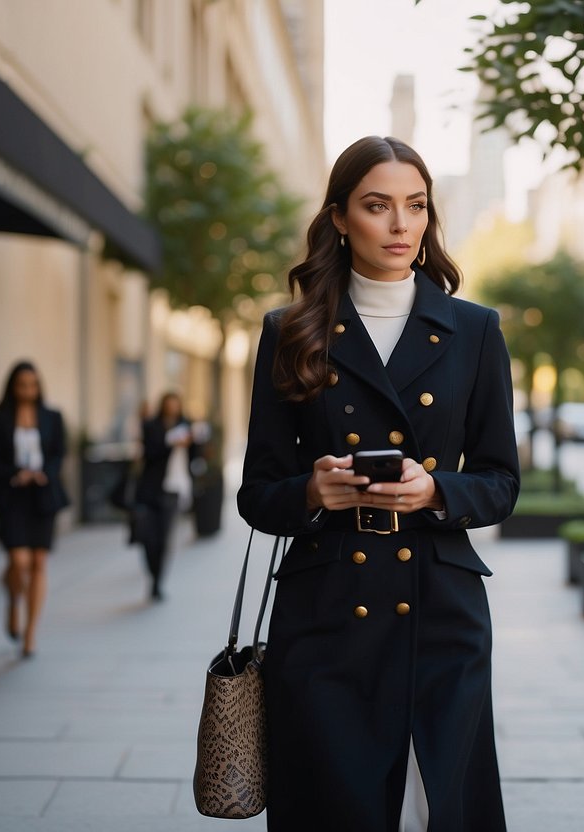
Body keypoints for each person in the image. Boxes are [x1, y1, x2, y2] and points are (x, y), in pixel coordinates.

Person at [238, 136, 520, 831]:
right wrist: (311, 491)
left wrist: (436, 492)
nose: (400, 225)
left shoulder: (473, 330)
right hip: (328, 610)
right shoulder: (291, 331)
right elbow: (256, 493)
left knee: (441, 809)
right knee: (334, 806)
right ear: (339, 218)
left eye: (415, 206)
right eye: (377, 206)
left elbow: (500, 481)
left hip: (439, 605)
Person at [0, 361, 70, 658]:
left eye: (32, 384)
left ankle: (30, 633)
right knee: (18, 561)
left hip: (43, 496)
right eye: (22, 384)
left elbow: (60, 452)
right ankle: (12, 602)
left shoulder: (52, 416)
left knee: (38, 562)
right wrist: (14, 473)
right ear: (12, 386)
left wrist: (45, 471)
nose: (28, 390)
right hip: (12, 497)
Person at [132, 392, 194, 601]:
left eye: (175, 405)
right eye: (169, 406)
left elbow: (195, 454)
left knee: (165, 537)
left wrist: (193, 443)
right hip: (152, 489)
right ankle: (152, 573)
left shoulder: (186, 425)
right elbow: (149, 454)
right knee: (149, 538)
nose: (172, 410)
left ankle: (157, 582)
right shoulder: (151, 426)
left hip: (175, 488)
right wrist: (170, 443)